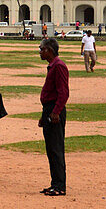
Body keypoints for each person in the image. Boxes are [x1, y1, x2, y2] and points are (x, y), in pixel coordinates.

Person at [39, 38, 69, 196]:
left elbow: (63, 93)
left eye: (41, 49)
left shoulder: (59, 66)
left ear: (49, 50)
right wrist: (44, 115)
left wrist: (56, 111)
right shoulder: (53, 66)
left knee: (56, 148)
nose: (40, 52)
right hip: (49, 109)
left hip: (55, 110)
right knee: (51, 148)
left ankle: (59, 186)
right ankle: (55, 183)